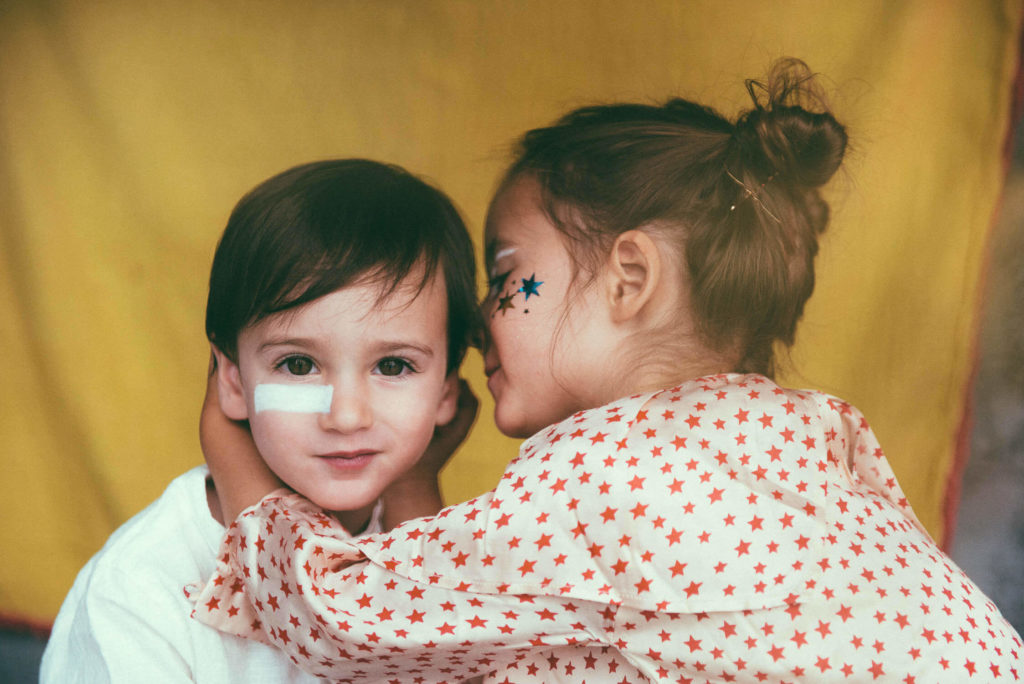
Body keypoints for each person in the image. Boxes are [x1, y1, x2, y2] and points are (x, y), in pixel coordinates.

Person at [190, 61, 1023, 682]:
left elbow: (353, 629)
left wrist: (236, 463)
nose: (483, 313)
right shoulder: (799, 439)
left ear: (629, 278)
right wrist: (416, 493)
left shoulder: (608, 477)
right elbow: (466, 647)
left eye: (510, 272)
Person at [41, 159, 481, 683]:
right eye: (298, 365)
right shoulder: (141, 588)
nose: (346, 416)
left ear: (445, 393)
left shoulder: (427, 560)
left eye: (394, 366)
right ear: (231, 382)